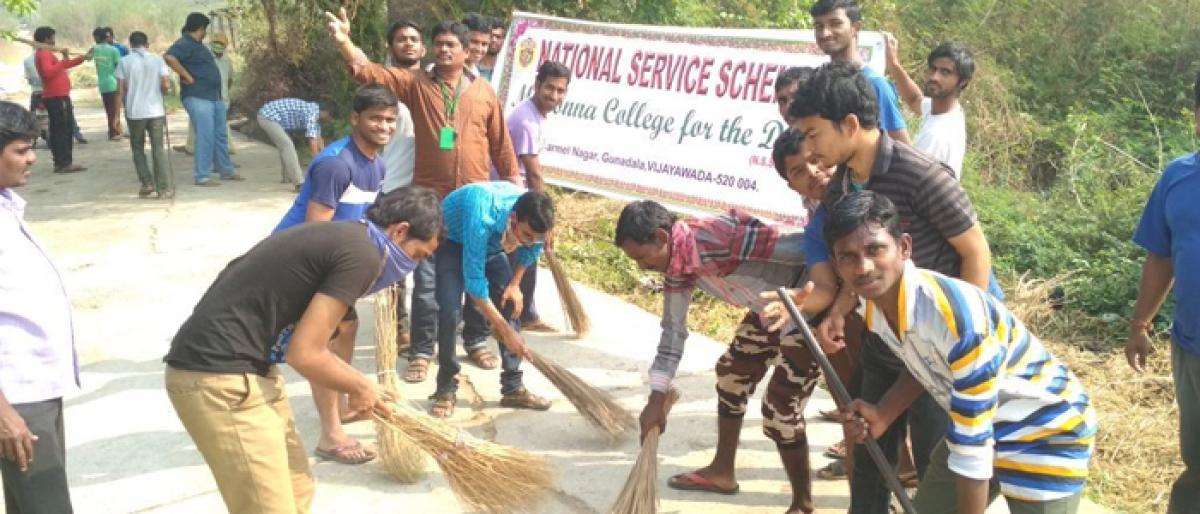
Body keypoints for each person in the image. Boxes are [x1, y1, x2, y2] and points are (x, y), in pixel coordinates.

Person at [788, 61, 998, 514]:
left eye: (811, 134)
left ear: (848, 125)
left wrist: (960, 334)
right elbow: (854, 264)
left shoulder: (920, 173)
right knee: (867, 453)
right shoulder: (843, 187)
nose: (808, 149)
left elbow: (976, 251)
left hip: (941, 354)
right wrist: (842, 310)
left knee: (933, 463)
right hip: (885, 343)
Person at [165, 186, 441, 513]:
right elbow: (305, 354)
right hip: (218, 379)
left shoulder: (349, 240)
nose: (412, 267)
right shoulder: (363, 255)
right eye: (418, 255)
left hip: (253, 371)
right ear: (400, 231)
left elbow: (324, 346)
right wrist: (361, 385)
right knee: (269, 508)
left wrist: (357, 391)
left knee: (298, 492)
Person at [820, 191, 1095, 514]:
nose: (863, 268)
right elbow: (926, 363)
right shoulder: (875, 306)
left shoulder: (956, 321)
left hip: (1045, 429)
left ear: (904, 247)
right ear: (836, 265)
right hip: (981, 423)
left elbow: (972, 449)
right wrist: (884, 413)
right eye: (848, 257)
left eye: (874, 249)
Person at [616, 150, 836, 513]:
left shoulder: (720, 237)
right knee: (732, 374)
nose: (644, 267)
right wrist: (657, 397)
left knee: (780, 407)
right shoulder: (676, 264)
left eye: (642, 258)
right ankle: (722, 471)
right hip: (766, 308)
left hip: (806, 302)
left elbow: (800, 248)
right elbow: (673, 334)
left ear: (660, 237)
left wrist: (820, 298)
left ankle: (803, 504)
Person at [324, 8, 523, 384]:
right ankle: (420, 350)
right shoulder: (417, 84)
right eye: (438, 45)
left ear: (467, 52)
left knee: (473, 272)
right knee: (427, 281)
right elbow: (370, 73)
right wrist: (344, 42)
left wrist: (514, 189)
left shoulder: (483, 92)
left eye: (451, 45)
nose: (443, 51)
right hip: (431, 203)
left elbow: (501, 144)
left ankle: (478, 340)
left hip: (475, 202)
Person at [269, 85, 397, 465]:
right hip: (302, 264)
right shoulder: (335, 164)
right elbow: (315, 234)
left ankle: (339, 407)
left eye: (390, 120)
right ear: (355, 118)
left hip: (332, 263)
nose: (384, 126)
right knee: (319, 345)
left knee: (347, 331)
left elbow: (358, 220)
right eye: (375, 118)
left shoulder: (376, 164)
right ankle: (331, 436)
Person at [1125, 72, 1200, 514]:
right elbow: (1161, 257)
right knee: (1196, 459)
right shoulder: (1178, 178)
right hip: (1192, 350)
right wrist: (1139, 324)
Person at [0, 100, 79, 514]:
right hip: (16, 397)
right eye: (19, 149)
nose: (31, 158)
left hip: (38, 389)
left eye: (32, 147)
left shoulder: (8, 206)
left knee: (30, 505)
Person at [428, 182, 554, 418]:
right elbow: (474, 282)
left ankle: (513, 388)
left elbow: (531, 250)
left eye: (536, 238)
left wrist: (515, 285)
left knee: (510, 305)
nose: (528, 241)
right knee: (449, 312)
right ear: (514, 219)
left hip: (492, 245)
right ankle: (445, 386)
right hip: (453, 241)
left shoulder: (533, 223)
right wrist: (504, 331)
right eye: (526, 235)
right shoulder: (482, 212)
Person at [486, 60, 570, 336]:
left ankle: (523, 313)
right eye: (549, 88)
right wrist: (548, 221)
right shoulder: (525, 120)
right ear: (536, 85)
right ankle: (504, 316)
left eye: (560, 91)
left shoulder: (536, 116)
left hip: (520, 194)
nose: (554, 96)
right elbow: (533, 175)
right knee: (513, 254)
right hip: (510, 196)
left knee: (524, 255)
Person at [379, 19, 425, 355]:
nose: (408, 44)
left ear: (423, 48)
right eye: (400, 39)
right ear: (390, 47)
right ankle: (398, 326)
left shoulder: (434, 86)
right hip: (393, 187)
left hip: (426, 188)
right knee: (394, 265)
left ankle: (425, 326)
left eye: (413, 39)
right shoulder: (383, 90)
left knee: (427, 262)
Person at [809, 0, 910, 145]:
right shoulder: (817, 82)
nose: (825, 33)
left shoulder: (875, 84)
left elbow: (903, 150)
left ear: (855, 28)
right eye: (819, 26)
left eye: (835, 24)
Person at [165, 12, 242, 186]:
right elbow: (169, 57)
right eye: (205, 29)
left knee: (220, 135)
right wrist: (186, 76)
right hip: (198, 96)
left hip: (214, 97)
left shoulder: (199, 45)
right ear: (200, 28)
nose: (206, 32)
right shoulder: (185, 43)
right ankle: (202, 176)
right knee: (206, 136)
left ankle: (226, 170)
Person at [884, 36, 974, 178]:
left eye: (945, 72)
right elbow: (915, 100)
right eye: (933, 69)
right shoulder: (944, 109)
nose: (934, 77)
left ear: (963, 81)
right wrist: (894, 64)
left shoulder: (937, 136)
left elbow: (910, 176)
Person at [115, 31, 173, 199]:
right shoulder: (157, 59)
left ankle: (147, 183)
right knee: (158, 148)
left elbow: (120, 89)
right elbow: (166, 84)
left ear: (130, 45)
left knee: (138, 148)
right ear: (147, 44)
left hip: (135, 112)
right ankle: (163, 188)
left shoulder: (124, 61)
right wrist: (162, 91)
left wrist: (116, 115)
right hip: (155, 111)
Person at [33, 26, 90, 173]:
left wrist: (80, 59)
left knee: (62, 128)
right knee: (62, 130)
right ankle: (63, 163)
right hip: (56, 96)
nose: (54, 40)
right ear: (46, 38)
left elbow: (62, 66)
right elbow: (48, 73)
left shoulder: (45, 53)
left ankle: (63, 162)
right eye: (52, 37)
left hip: (58, 95)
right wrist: (64, 62)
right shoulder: (44, 53)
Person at [179, 33, 237, 158]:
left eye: (221, 44)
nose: (218, 46)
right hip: (203, 96)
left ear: (225, 46)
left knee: (219, 126)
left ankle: (222, 151)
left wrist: (225, 91)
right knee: (199, 124)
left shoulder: (227, 61)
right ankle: (193, 148)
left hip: (221, 97)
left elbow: (230, 79)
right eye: (216, 43)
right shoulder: (204, 57)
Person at [257, 98, 331, 190]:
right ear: (325, 112)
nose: (330, 120)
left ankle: (287, 177)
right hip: (267, 117)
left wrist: (325, 158)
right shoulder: (312, 113)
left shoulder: (315, 114)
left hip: (275, 119)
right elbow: (312, 141)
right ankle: (299, 183)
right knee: (287, 145)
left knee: (285, 145)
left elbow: (318, 139)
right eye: (330, 117)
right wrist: (317, 162)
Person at [91, 27, 123, 140]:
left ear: (98, 37)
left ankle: (113, 131)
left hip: (103, 83)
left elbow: (86, 57)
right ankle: (115, 132)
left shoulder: (94, 49)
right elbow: (119, 66)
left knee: (109, 109)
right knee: (115, 110)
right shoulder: (114, 50)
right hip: (113, 82)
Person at [461, 13, 491, 80]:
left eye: (484, 44)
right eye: (474, 42)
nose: (479, 49)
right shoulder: (440, 71)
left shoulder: (478, 76)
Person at [478, 16, 505, 82]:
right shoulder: (471, 68)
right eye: (491, 36)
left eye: (498, 37)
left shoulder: (505, 71)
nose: (494, 40)